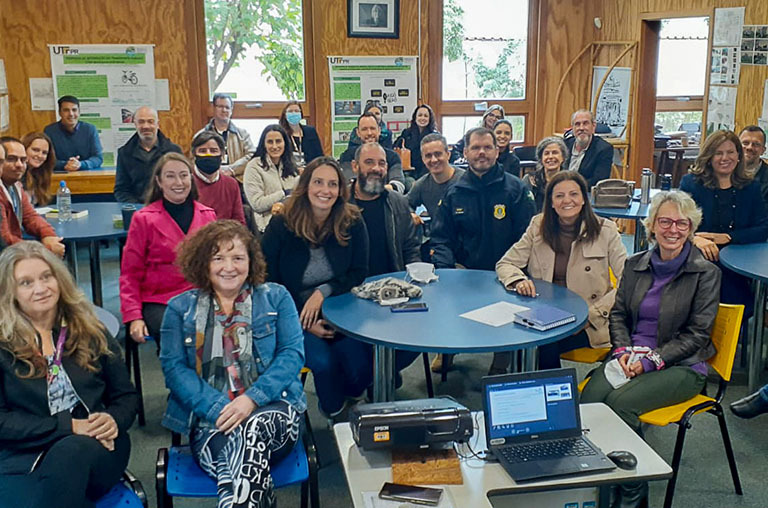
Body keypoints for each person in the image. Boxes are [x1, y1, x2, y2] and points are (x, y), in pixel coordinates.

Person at [580, 191, 719, 508]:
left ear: (691, 228)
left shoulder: (706, 273)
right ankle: (603, 478)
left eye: (682, 223)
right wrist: (622, 351)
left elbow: (698, 334)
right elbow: (618, 315)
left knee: (619, 404)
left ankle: (633, 492)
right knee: (586, 405)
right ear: (652, 226)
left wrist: (652, 360)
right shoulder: (634, 264)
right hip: (629, 357)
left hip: (682, 366)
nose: (673, 229)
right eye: (665, 221)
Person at [160, 220, 305, 508]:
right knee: (240, 462)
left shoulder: (277, 297)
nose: (229, 267)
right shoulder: (179, 309)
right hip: (212, 422)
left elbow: (292, 355)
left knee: (252, 430)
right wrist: (218, 408)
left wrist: (251, 400)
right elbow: (174, 370)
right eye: (218, 258)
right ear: (204, 263)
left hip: (274, 411)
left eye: (238, 257)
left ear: (250, 262)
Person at [0, 241, 138, 508]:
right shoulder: (3, 344)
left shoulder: (91, 331)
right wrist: (69, 426)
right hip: (25, 454)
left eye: (46, 277)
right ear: (10, 292)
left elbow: (126, 397)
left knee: (71, 452)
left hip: (97, 446)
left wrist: (112, 420)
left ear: (59, 279)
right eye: (26, 283)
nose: (40, 289)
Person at [262, 157, 371, 418]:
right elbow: (267, 280)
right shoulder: (282, 223)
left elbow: (359, 272)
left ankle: (354, 395)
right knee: (323, 363)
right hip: (292, 311)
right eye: (318, 182)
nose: (326, 190)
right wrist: (303, 319)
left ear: (341, 190)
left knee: (361, 361)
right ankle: (334, 410)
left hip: (340, 306)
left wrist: (324, 291)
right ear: (306, 186)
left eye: (333, 184)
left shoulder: (352, 220)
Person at [430, 127, 535, 374]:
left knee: (509, 318)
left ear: (497, 151)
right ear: (465, 152)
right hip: (464, 272)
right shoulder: (455, 191)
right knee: (450, 307)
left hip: (506, 272)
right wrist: (449, 271)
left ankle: (502, 357)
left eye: (487, 147)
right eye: (475, 148)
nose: (481, 153)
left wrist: (514, 271)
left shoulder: (515, 189)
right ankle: (448, 350)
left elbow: (528, 237)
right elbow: (441, 237)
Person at [496, 171, 627, 369]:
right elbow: (506, 264)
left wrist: (591, 316)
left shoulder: (605, 230)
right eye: (559, 196)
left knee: (546, 342)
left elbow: (628, 282)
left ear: (584, 198)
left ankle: (550, 394)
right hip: (543, 313)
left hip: (590, 320)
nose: (567, 200)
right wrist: (518, 280)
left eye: (574, 194)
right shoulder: (537, 225)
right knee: (522, 333)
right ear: (551, 202)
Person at [120, 152, 217, 349]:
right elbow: (130, 273)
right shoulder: (143, 219)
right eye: (170, 176)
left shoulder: (208, 216)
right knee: (179, 341)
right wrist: (134, 316)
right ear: (159, 181)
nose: (178, 182)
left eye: (183, 175)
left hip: (202, 296)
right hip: (161, 300)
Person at [679, 130, 768, 316]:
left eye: (730, 152)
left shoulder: (751, 187)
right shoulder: (691, 184)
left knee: (739, 304)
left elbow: (763, 228)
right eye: (718, 153)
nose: (724, 158)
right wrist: (694, 238)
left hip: (738, 262)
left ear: (738, 156)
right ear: (709, 156)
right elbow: (677, 222)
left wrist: (728, 237)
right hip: (697, 259)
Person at [0, 137, 65, 257]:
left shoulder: (15, 186)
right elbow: (4, 240)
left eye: (23, 160)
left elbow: (30, 217)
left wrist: (48, 235)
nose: (19, 165)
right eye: (11, 159)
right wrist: (44, 250)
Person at [114, 106, 183, 203]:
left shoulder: (173, 151)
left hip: (167, 208)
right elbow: (121, 190)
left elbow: (180, 184)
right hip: (137, 210)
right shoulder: (124, 153)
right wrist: (137, 209)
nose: (146, 126)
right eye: (141, 122)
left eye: (150, 121)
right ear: (135, 124)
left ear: (157, 124)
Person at [243, 125, 300, 233]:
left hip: (293, 224)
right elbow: (257, 204)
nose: (274, 146)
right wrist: (284, 193)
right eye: (270, 142)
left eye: (278, 141)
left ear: (285, 143)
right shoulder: (254, 166)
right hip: (266, 228)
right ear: (263, 144)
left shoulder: (291, 166)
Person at [195, 93, 256, 182]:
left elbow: (252, 155)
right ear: (213, 108)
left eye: (227, 107)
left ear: (231, 110)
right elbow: (194, 159)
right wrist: (215, 171)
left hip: (238, 181)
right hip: (207, 181)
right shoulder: (200, 136)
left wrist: (232, 170)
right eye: (220, 107)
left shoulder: (243, 134)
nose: (224, 110)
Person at [190, 131, 246, 225]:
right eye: (202, 151)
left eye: (213, 151)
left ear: (222, 154)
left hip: (226, 237)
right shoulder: (187, 183)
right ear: (194, 154)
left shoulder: (231, 184)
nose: (208, 155)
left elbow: (239, 222)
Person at [339, 113, 405, 192]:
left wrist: (374, 191)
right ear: (358, 133)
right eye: (364, 129)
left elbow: (398, 186)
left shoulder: (392, 157)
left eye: (372, 128)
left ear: (379, 130)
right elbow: (350, 184)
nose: (369, 133)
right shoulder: (348, 156)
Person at [408, 134, 465, 220]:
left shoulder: (467, 180)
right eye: (428, 156)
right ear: (423, 159)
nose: (434, 160)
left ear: (448, 155)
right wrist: (411, 214)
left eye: (438, 154)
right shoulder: (422, 185)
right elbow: (404, 204)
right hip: (438, 232)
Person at [43, 96, 103, 171]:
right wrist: (65, 165)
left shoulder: (90, 129)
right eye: (66, 110)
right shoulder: (49, 131)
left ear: (79, 112)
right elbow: (46, 159)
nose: (71, 114)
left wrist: (81, 164)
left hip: (86, 175)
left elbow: (98, 158)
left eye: (74, 110)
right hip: (59, 175)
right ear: (59, 113)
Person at [564, 109, 613, 187]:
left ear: (593, 126)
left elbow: (598, 181)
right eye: (577, 124)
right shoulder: (565, 144)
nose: (581, 128)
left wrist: (572, 187)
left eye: (585, 123)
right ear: (572, 128)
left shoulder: (604, 149)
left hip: (586, 192)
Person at [524, 136, 570, 212]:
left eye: (555, 153)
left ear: (563, 157)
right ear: (541, 158)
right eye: (546, 153)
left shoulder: (570, 181)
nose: (550, 157)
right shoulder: (530, 180)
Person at [394, 104, 439, 179]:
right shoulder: (406, 133)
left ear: (430, 119)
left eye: (425, 116)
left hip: (429, 172)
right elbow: (395, 147)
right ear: (415, 117)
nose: (422, 118)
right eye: (420, 115)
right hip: (408, 172)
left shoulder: (435, 136)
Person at [278, 101, 324, 169]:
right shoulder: (281, 133)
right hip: (289, 173)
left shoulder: (310, 131)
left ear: (301, 114)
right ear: (285, 114)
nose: (294, 113)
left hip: (310, 171)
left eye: (296, 111)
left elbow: (319, 156)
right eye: (290, 111)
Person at [21, 132, 56, 206]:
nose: (40, 155)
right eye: (35, 150)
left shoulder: (39, 174)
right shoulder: (17, 174)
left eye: (44, 153)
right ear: (24, 149)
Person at [738, 125, 768, 202]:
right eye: (745, 143)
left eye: (756, 144)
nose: (749, 147)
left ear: (763, 150)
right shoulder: (725, 172)